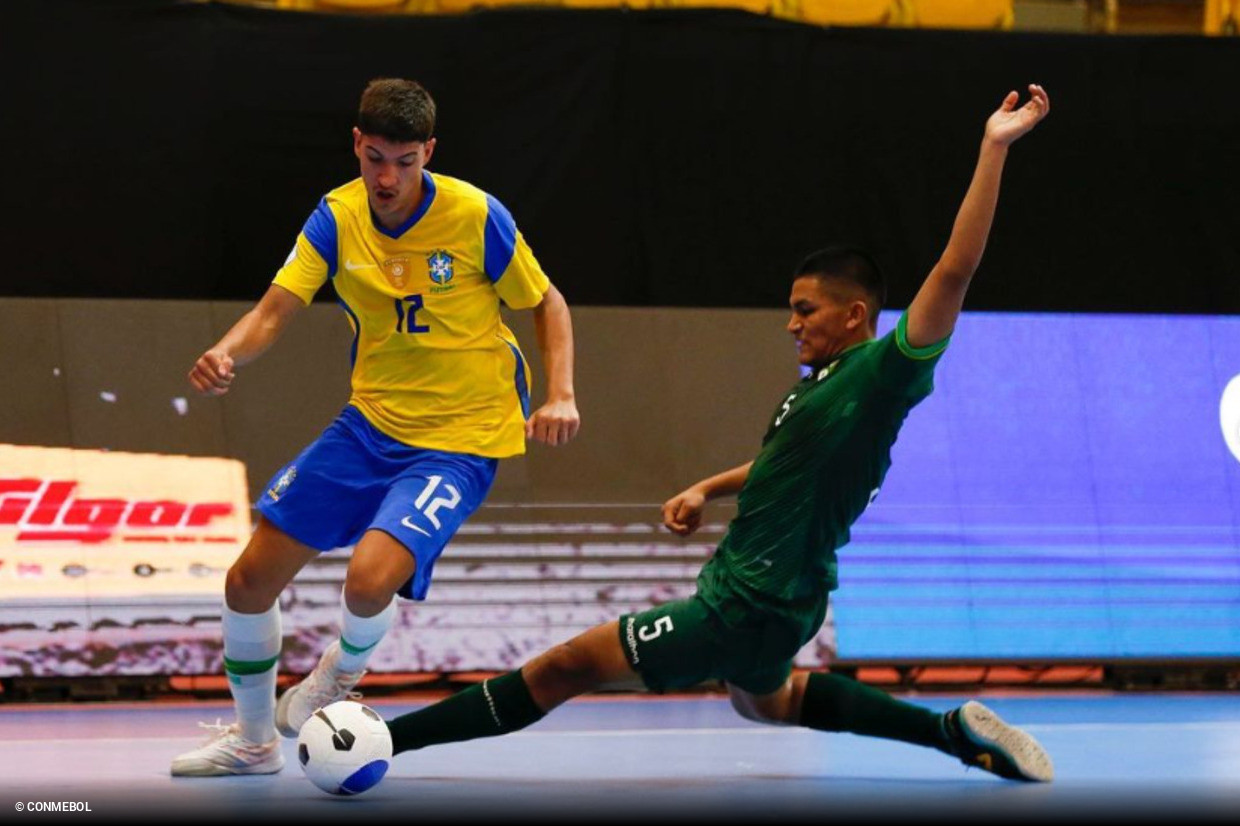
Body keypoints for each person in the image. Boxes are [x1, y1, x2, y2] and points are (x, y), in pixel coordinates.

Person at [380, 85, 1053, 783]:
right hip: (782, 604)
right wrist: (709, 486)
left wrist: (993, 148)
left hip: (746, 604)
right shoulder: (818, 391)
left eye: (805, 310)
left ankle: (384, 744)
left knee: (566, 667)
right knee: (771, 702)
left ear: (855, 316)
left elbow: (955, 269)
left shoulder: (881, 374)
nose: (792, 324)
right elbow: (779, 465)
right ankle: (951, 732)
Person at [171, 78, 580, 776]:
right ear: (357, 145)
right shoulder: (337, 217)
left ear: (429, 152)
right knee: (246, 582)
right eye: (376, 158)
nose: (388, 177)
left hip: (462, 436)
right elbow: (274, 310)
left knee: (367, 582)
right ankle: (254, 743)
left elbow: (546, 303)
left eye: (406, 160)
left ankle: (339, 671)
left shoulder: (474, 214)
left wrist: (560, 394)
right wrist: (225, 351)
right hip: (369, 425)